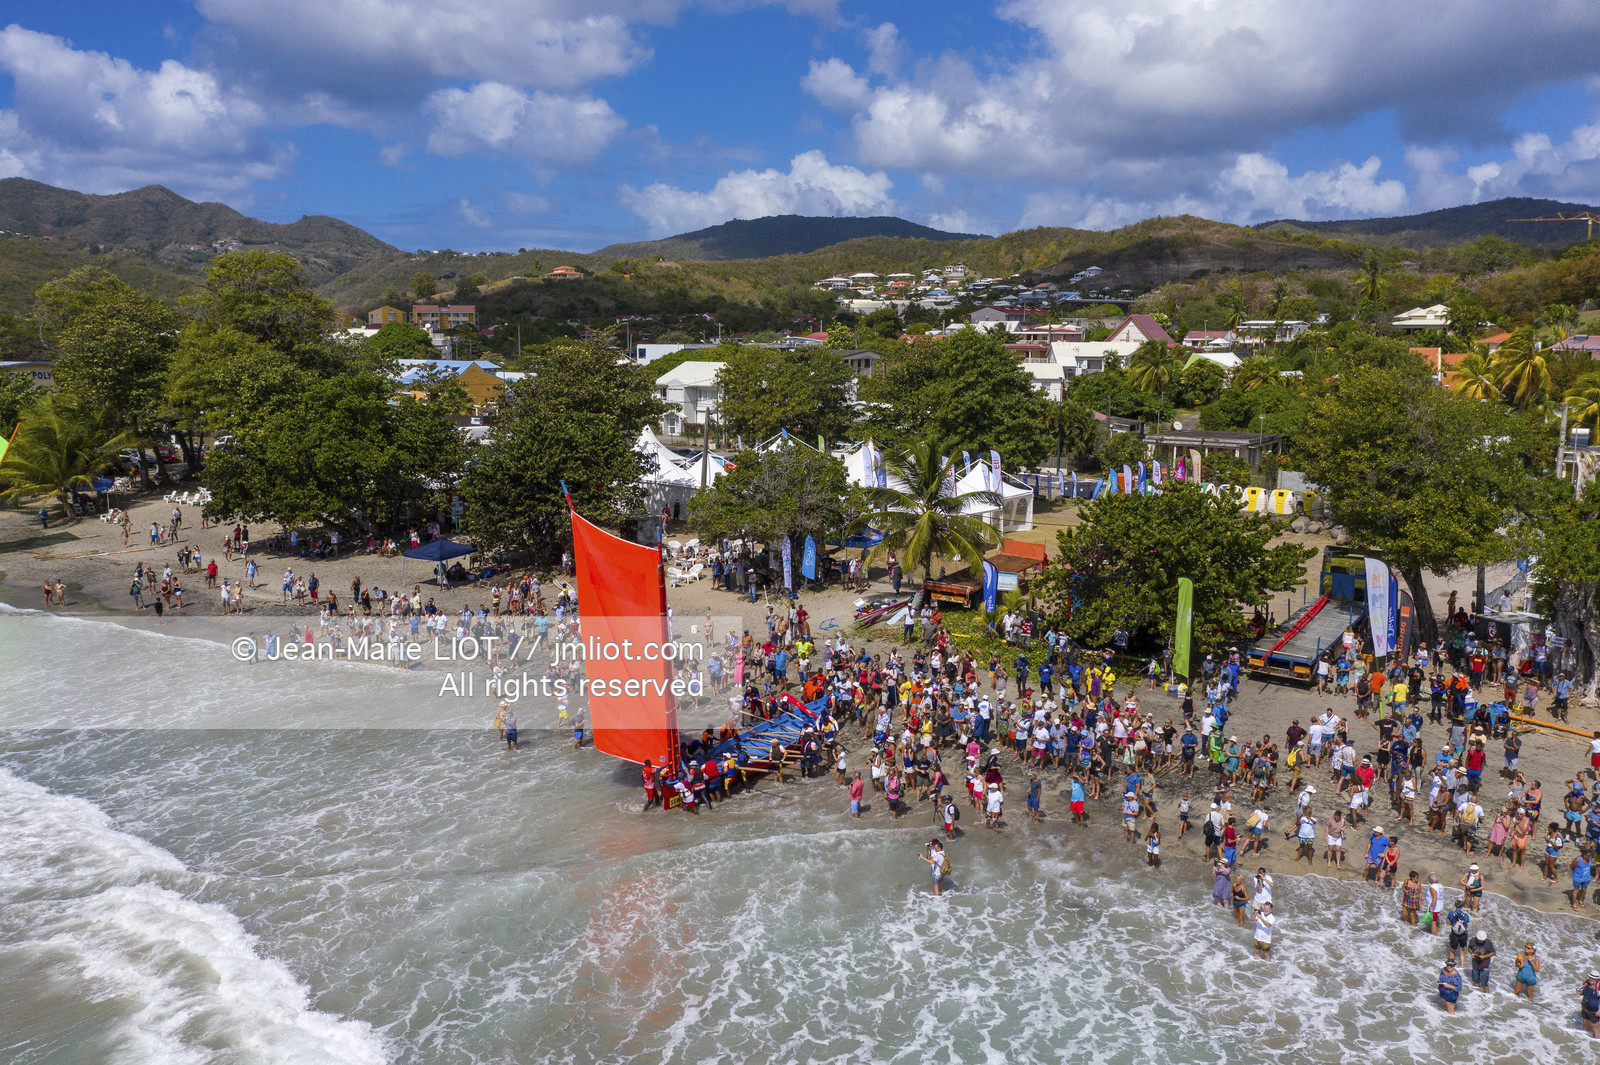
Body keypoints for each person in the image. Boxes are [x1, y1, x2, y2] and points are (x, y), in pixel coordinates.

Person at [1581, 969, 1600, 1037]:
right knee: (1585, 1023)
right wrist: (1581, 992)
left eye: (1593, 978)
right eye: (1590, 977)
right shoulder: (1586, 983)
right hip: (1585, 1007)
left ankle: (1597, 1041)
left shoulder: (1598, 988)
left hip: (1594, 1010)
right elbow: (1584, 992)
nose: (1591, 979)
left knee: (1594, 1026)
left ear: (1597, 979)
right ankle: (1585, 1039)